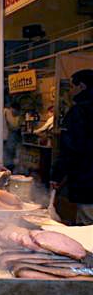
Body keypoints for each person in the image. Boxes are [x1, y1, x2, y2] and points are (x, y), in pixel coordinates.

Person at [51, 69, 93, 225]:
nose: (69, 91)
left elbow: (70, 149)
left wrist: (57, 175)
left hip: (87, 180)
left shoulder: (79, 112)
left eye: (71, 87)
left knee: (88, 225)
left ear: (81, 86)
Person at [3, 100, 22, 170]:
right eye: (17, 111)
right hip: (7, 138)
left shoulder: (4, 111)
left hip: (6, 139)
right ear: (13, 108)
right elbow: (13, 125)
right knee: (8, 158)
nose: (17, 113)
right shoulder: (7, 111)